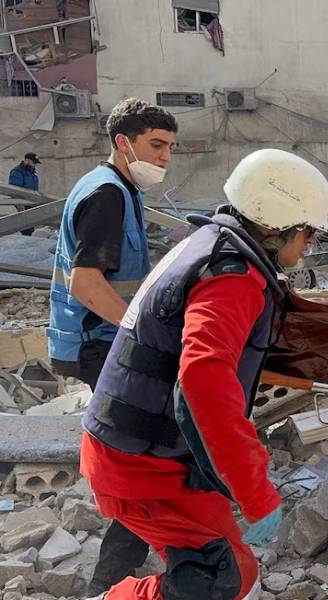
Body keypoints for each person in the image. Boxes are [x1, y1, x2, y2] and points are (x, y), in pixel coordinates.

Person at [79, 148, 328, 600]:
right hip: (140, 464)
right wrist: (255, 493)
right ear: (278, 225)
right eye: (309, 231)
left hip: (151, 453)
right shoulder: (231, 278)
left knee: (233, 569)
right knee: (216, 578)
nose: (310, 244)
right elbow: (203, 380)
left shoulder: (212, 244)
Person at [44, 98, 177, 595]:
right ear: (124, 142)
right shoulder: (108, 195)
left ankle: (133, 560)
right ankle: (110, 580)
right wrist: (139, 330)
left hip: (95, 338)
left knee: (142, 453)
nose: (165, 157)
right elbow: (85, 282)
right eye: (156, 145)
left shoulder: (118, 188)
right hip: (95, 342)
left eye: (170, 148)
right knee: (144, 458)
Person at [8, 152, 42, 235]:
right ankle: (25, 237)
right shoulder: (17, 172)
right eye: (33, 162)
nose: (34, 165)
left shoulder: (32, 172)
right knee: (26, 224)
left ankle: (28, 237)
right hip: (23, 202)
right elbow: (14, 190)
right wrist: (20, 205)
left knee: (31, 224)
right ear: (27, 160)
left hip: (32, 202)